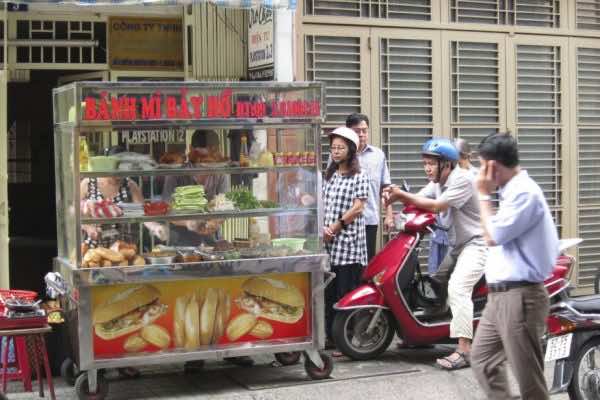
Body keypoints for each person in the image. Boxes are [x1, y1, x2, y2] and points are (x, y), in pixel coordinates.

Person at [383, 138, 488, 370]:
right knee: (437, 281)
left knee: (458, 288)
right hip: (460, 244)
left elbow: (437, 206)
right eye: (425, 163)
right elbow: (420, 200)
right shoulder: (438, 182)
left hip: (479, 244)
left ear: (447, 165)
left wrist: (402, 196)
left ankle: (464, 349)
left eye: (432, 163)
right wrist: (394, 202)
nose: (427, 168)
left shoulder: (462, 179)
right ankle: (428, 334)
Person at [471, 133, 558, 399]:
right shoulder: (511, 192)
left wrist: (483, 196)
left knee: (528, 378)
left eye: (482, 166)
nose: (481, 175)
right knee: (483, 360)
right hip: (500, 296)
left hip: (520, 297)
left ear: (493, 167)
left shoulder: (524, 192)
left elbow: (493, 235)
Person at [323, 126, 369, 350]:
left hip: (348, 246)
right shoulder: (329, 174)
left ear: (351, 150)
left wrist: (336, 226)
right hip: (329, 244)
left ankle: (348, 340)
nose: (336, 151)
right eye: (333, 147)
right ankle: (332, 338)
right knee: (329, 293)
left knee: (346, 293)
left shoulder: (359, 175)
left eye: (340, 147)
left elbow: (358, 207)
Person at [80, 146, 168, 248]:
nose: (119, 175)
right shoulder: (89, 183)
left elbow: (142, 213)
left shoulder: (130, 185)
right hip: (93, 248)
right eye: (116, 168)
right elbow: (73, 212)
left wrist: (156, 227)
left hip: (123, 247)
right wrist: (88, 227)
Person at [161, 130, 227, 246]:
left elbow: (224, 206)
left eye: (208, 155)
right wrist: (188, 222)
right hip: (180, 241)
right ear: (191, 149)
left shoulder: (220, 174)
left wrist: (216, 221)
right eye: (200, 156)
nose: (204, 162)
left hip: (212, 240)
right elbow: (167, 210)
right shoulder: (175, 173)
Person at [345, 113, 394, 261]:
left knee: (366, 263)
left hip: (369, 220)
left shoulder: (378, 155)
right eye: (357, 131)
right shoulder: (340, 154)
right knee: (346, 263)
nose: (361, 134)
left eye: (364, 130)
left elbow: (385, 187)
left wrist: (389, 215)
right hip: (345, 220)